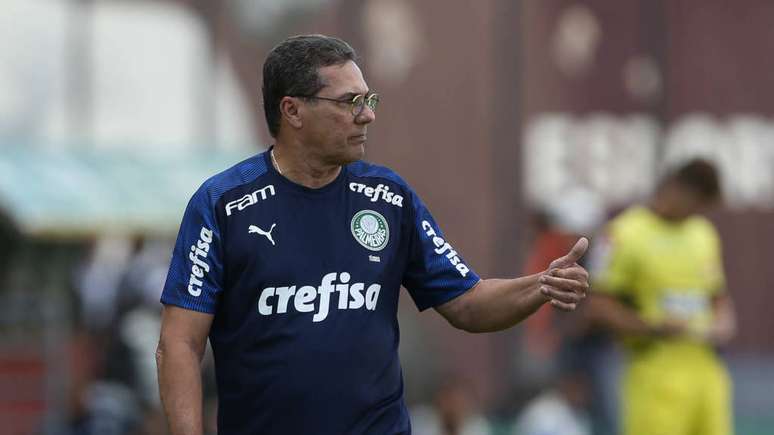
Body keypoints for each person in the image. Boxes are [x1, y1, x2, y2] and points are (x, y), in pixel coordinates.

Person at [155, 34, 590, 435]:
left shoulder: (388, 198)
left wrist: (541, 284)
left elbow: (468, 304)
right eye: (349, 102)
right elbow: (179, 342)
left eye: (368, 99)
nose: (368, 115)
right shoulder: (222, 204)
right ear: (292, 111)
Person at [587, 159, 736, 435]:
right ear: (676, 190)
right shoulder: (623, 233)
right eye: (696, 203)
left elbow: (718, 296)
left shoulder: (703, 233)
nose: (697, 212)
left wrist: (725, 321)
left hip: (706, 368)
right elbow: (597, 307)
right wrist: (653, 326)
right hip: (655, 370)